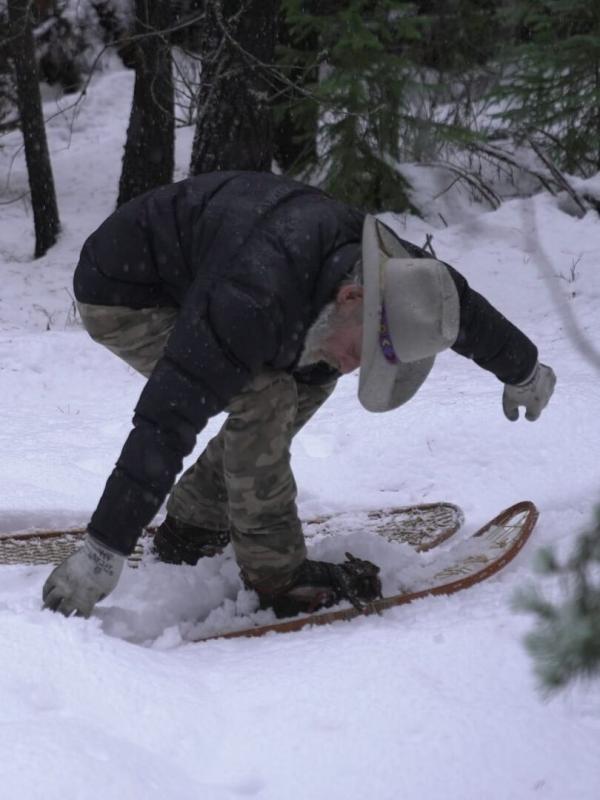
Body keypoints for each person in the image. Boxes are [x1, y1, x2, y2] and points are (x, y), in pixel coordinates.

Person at [42, 171, 556, 620]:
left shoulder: (384, 269)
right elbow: (165, 421)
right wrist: (104, 548)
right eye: (364, 351)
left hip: (213, 267)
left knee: (310, 377)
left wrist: (524, 367)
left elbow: (452, 301)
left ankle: (195, 523)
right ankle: (275, 576)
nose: (359, 368)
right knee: (264, 396)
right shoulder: (250, 298)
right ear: (351, 297)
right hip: (126, 291)